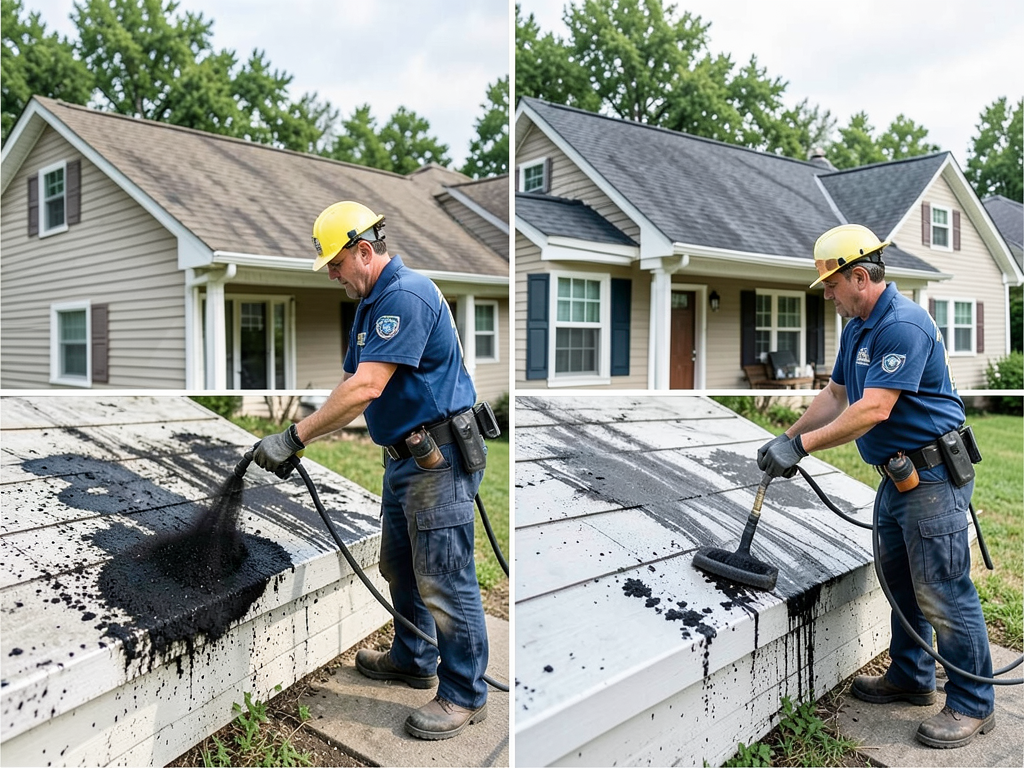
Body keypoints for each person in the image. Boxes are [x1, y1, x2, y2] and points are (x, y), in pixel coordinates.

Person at [251, 201, 491, 740]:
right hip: (405, 458)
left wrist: (293, 437)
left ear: (364, 250)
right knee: (400, 566)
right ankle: (413, 657)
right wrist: (303, 433)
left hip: (439, 458)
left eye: (335, 263)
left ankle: (463, 693)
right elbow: (352, 383)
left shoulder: (404, 296)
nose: (332, 274)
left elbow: (365, 388)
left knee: (445, 578)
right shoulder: (370, 303)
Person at [757, 224, 995, 749]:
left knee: (942, 588)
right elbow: (839, 393)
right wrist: (786, 436)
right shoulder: (858, 326)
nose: (829, 295)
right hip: (898, 474)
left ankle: (975, 704)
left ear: (859, 276)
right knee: (900, 580)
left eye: (833, 285)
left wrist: (803, 448)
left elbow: (874, 407)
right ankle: (912, 677)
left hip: (932, 474)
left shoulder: (903, 324)